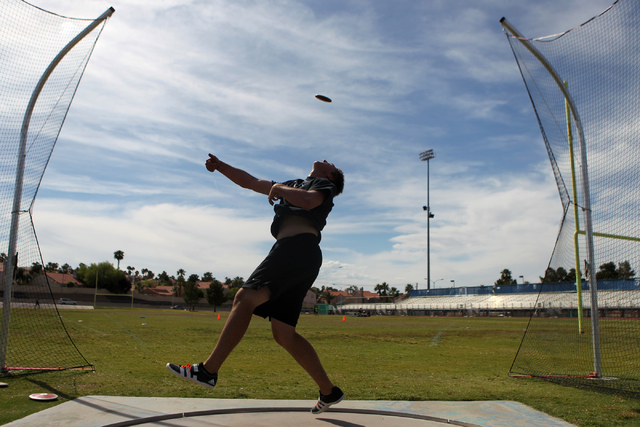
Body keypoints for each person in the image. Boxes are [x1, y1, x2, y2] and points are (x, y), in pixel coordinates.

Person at [167, 154, 345, 414]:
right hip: (299, 253)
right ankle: (329, 391)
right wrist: (220, 167)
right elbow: (250, 182)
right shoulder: (293, 183)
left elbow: (308, 202)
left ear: (330, 176)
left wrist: (278, 189)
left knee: (245, 298)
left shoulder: (323, 186)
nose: (326, 159)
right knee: (283, 334)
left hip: (296, 248)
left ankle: (208, 371)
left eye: (331, 164)